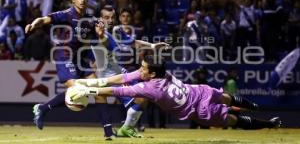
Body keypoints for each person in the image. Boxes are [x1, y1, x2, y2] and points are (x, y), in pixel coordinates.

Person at [72, 55, 282, 130]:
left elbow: (115, 89)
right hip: (198, 95)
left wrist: (88, 89)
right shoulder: (160, 72)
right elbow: (120, 78)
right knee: (230, 105)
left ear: (152, 73)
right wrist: (84, 81)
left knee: (232, 118)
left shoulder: (147, 88)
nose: (140, 69)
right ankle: (261, 114)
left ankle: (265, 118)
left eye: (143, 68)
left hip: (199, 105)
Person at [25, 0, 98, 133]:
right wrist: (34, 24)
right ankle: (43, 108)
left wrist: (92, 58)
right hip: (63, 55)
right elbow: (44, 19)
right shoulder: (66, 15)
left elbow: (88, 42)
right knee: (77, 89)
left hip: (80, 57)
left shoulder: (90, 20)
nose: (82, 0)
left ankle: (108, 130)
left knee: (95, 87)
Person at [91, 6, 168, 138]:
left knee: (143, 96)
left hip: (120, 71)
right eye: (106, 17)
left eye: (112, 17)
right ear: (99, 19)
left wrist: (152, 46)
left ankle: (123, 128)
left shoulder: (117, 30)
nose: (110, 20)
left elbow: (133, 42)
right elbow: (101, 43)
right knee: (139, 96)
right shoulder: (98, 33)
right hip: (112, 75)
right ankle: (118, 129)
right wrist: (100, 36)